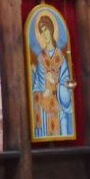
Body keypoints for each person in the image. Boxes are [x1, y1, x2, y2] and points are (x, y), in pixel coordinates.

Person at [29, 12, 73, 140]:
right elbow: (37, 85)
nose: (45, 34)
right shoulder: (41, 58)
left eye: (46, 30)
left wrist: (55, 84)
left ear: (52, 30)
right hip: (44, 107)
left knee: (62, 122)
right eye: (42, 31)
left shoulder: (61, 57)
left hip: (59, 107)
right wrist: (42, 92)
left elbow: (67, 82)